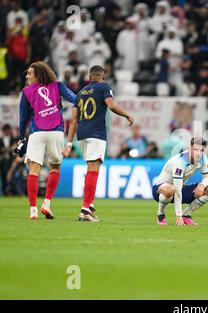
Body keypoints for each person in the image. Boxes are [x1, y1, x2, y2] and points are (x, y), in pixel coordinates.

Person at [63, 65, 134, 222]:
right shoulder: (104, 87)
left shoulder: (81, 92)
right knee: (93, 170)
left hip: (81, 134)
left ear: (90, 77)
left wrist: (69, 143)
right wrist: (127, 115)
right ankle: (85, 209)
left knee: (91, 168)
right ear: (102, 76)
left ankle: (90, 204)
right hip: (96, 132)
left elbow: (73, 120)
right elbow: (111, 105)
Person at [15, 61, 76, 220]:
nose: (27, 76)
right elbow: (74, 99)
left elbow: (23, 118)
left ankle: (33, 210)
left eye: (29, 73)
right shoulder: (58, 85)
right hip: (56, 132)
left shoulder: (27, 92)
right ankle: (46, 205)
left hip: (37, 133)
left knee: (33, 170)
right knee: (55, 168)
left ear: (38, 74)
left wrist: (22, 138)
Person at [152, 137, 208, 226]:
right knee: (170, 189)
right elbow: (177, 190)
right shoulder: (179, 161)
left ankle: (186, 215)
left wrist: (202, 185)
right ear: (189, 148)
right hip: (160, 190)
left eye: (201, 150)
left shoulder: (203, 159)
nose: (198, 153)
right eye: (195, 149)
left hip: (180, 188)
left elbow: (207, 177)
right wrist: (178, 216)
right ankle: (161, 214)